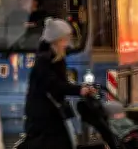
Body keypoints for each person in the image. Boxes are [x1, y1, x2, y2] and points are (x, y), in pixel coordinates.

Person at [19, 17, 95, 148]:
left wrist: (80, 88)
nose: (67, 43)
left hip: (52, 116)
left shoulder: (57, 58)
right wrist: (79, 90)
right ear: (56, 40)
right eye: (65, 39)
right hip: (43, 118)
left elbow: (60, 84)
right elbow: (54, 85)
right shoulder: (44, 60)